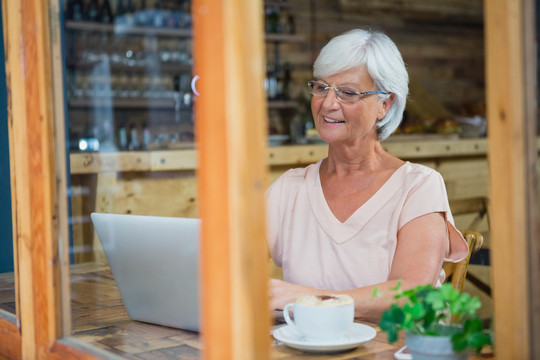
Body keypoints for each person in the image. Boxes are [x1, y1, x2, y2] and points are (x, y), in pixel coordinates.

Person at [266, 28, 469, 322]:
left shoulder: (418, 186)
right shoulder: (290, 188)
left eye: (347, 93)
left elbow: (410, 293)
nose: (328, 103)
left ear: (384, 105)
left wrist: (306, 300)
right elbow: (230, 262)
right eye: (321, 87)